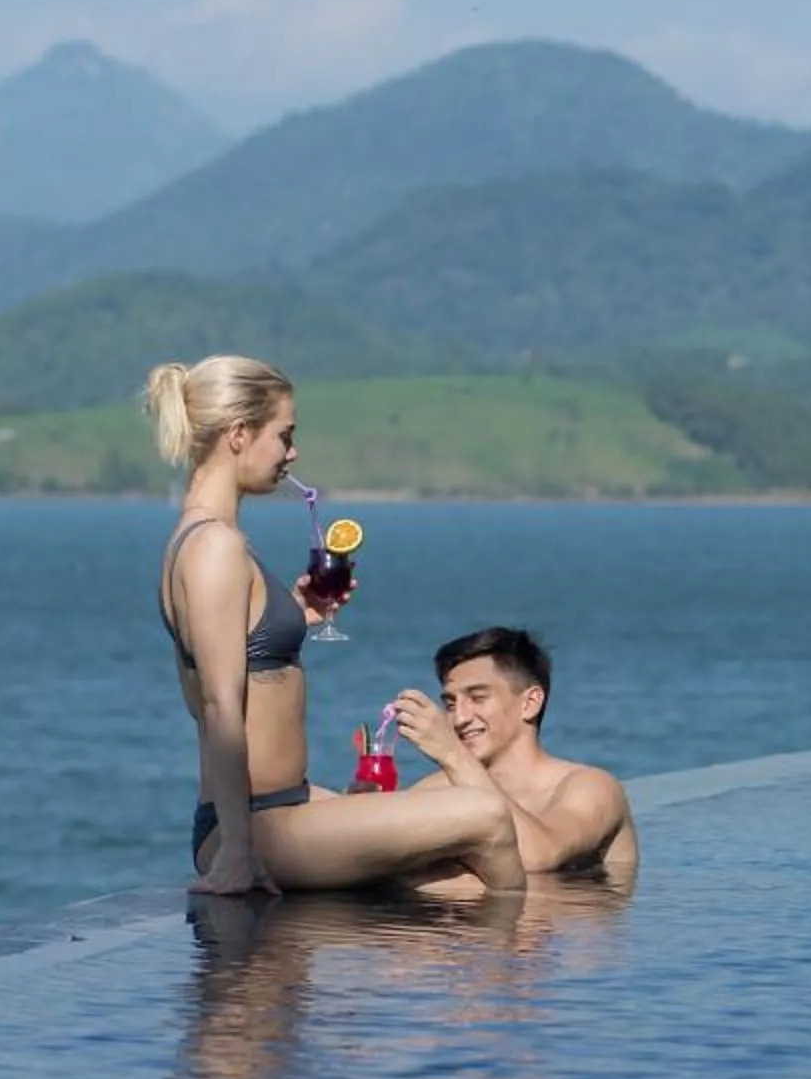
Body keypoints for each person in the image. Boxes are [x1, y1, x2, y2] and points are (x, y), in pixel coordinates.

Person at [144, 355, 525, 899]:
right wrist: (237, 852)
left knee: (461, 882)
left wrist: (295, 618)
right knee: (485, 813)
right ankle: (532, 971)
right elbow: (218, 707)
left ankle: (492, 974)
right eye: (284, 435)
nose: (292, 454)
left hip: (287, 805)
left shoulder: (211, 541)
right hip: (253, 824)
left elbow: (244, 659)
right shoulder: (214, 548)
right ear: (237, 434)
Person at [390, 625, 640, 883]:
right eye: (450, 704)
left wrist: (453, 755)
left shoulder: (592, 786)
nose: (459, 718)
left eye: (477, 698)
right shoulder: (442, 786)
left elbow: (539, 856)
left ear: (530, 703)